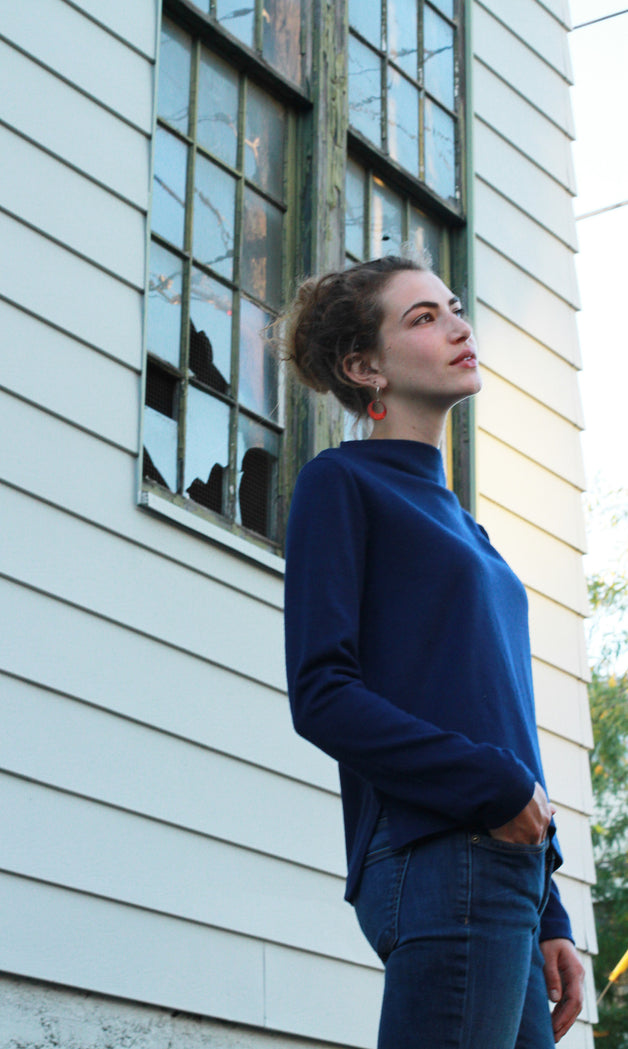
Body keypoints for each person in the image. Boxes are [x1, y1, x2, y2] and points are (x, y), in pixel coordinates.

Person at [281, 256, 585, 1048]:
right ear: (365, 367)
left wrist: (551, 908)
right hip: (441, 847)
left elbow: (500, 709)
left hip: (509, 867)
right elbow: (322, 693)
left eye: (454, 307)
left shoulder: (470, 530)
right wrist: (494, 786)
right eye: (423, 317)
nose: (458, 325)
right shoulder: (341, 483)